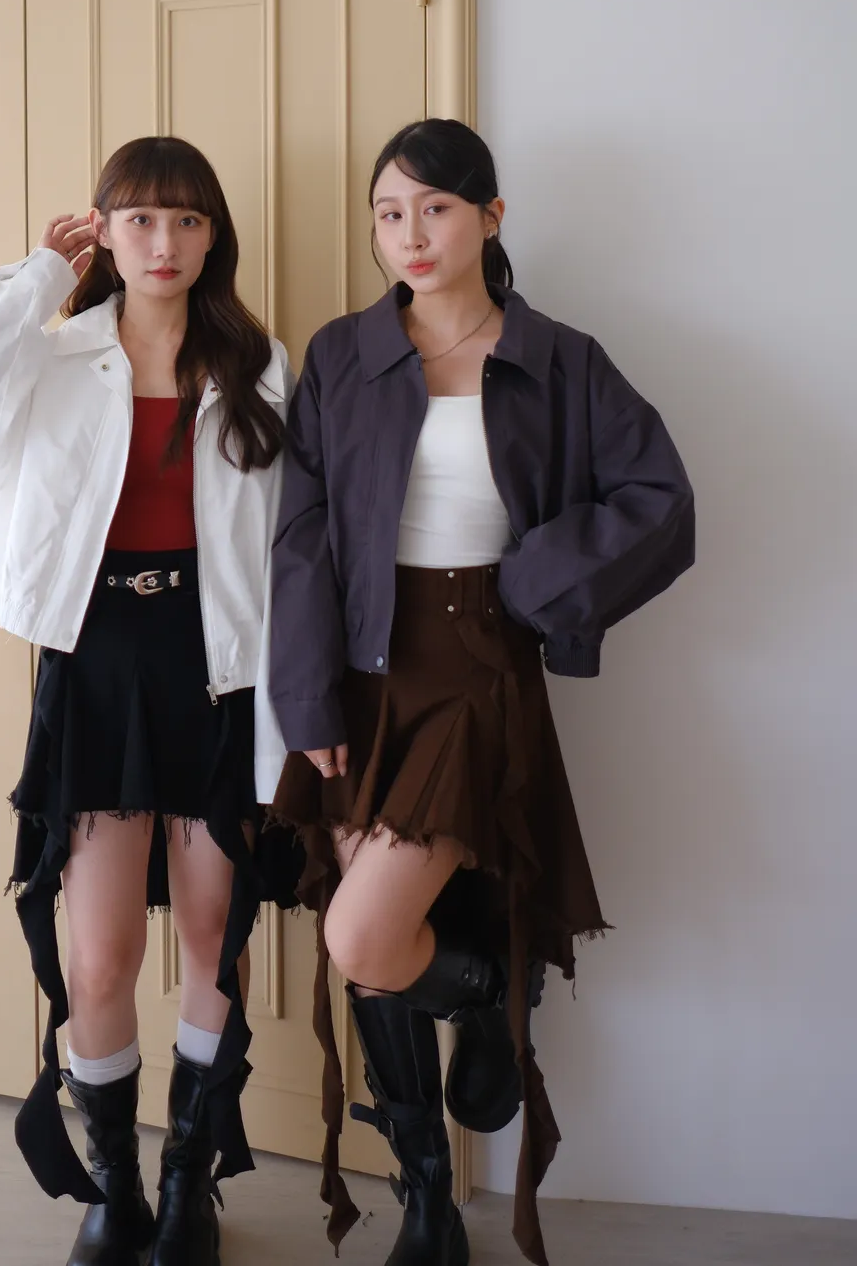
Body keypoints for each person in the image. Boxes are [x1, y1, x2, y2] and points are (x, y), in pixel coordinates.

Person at [269, 118, 694, 1266]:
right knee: (364, 938)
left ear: (490, 218)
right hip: (361, 673)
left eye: (436, 208)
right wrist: (305, 700)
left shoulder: (560, 360)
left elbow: (661, 500)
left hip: (477, 676)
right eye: (388, 213)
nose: (409, 234)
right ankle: (427, 1196)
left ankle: (492, 993)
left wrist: (537, 582)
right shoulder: (344, 356)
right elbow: (300, 539)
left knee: (365, 936)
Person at [0, 135, 294, 1266]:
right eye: (139, 220)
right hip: (96, 662)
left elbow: (292, 535)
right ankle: (115, 1187)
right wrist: (42, 272)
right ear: (106, 232)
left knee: (215, 933)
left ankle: (188, 1186)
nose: (163, 243)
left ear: (214, 236)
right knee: (98, 958)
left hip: (220, 663)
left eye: (186, 220)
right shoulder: (54, 355)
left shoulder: (258, 365)